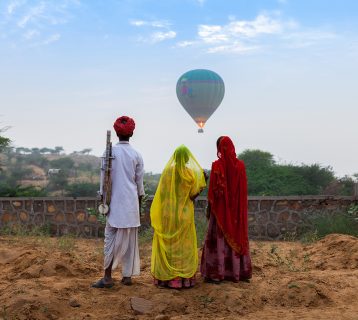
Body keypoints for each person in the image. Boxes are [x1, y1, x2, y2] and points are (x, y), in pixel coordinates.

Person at [92, 115, 144, 288]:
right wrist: (138, 204)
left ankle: (107, 278)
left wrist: (102, 199)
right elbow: (139, 184)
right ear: (132, 133)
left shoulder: (108, 152)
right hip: (131, 205)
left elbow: (103, 182)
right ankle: (127, 277)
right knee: (130, 241)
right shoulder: (137, 155)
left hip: (114, 205)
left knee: (110, 240)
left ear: (116, 132)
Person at [150, 145, 206, 288]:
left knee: (169, 245)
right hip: (184, 215)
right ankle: (182, 279)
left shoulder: (167, 172)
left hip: (168, 214)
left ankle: (166, 278)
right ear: (188, 158)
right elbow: (192, 196)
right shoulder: (189, 173)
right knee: (183, 246)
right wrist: (202, 186)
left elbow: (161, 194)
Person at [200, 136, 252, 283]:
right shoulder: (240, 166)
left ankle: (217, 273)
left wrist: (209, 209)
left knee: (219, 241)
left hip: (220, 214)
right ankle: (237, 273)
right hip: (236, 214)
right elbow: (243, 192)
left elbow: (213, 194)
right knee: (236, 238)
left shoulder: (217, 166)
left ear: (219, 148)